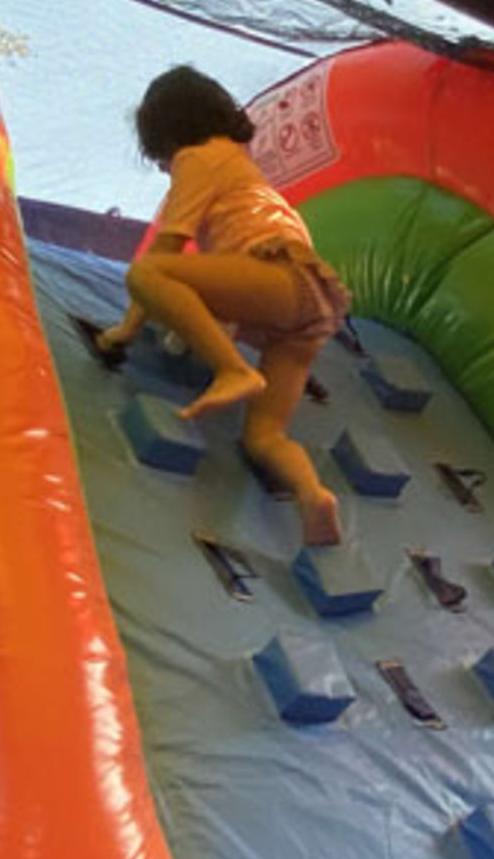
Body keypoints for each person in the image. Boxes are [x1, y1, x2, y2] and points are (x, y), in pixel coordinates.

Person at [93, 66, 353, 545]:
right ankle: (313, 495)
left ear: (167, 132)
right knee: (264, 436)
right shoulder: (240, 166)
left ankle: (236, 371)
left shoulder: (198, 158)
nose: (164, 167)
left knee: (146, 274)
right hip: (312, 311)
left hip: (283, 280)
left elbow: (166, 251)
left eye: (158, 155)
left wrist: (124, 331)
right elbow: (221, 301)